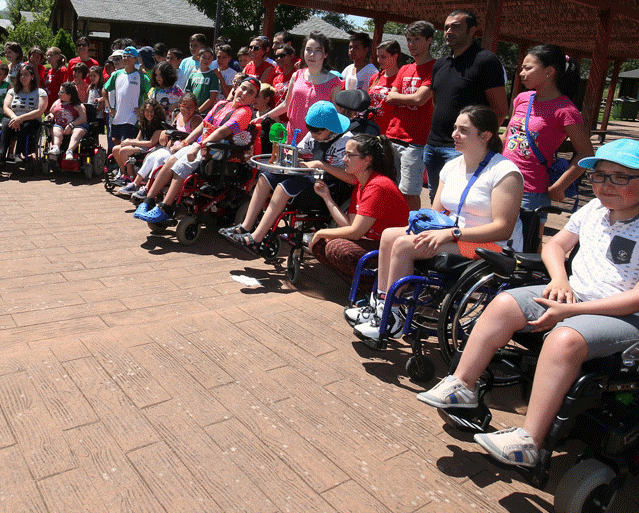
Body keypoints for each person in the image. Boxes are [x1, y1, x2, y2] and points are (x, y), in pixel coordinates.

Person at [416, 139, 639, 469]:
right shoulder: (594, 210)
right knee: (506, 302)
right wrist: (560, 281)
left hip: (630, 316)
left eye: (620, 177)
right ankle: (463, 385)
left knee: (564, 339)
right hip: (573, 295)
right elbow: (555, 246)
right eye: (599, 176)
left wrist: (570, 311)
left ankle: (529, 440)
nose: (606, 185)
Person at [357, 105, 523, 342]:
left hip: (491, 246)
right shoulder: (453, 166)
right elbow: (435, 213)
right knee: (390, 235)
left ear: (485, 136)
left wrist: (451, 234)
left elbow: (503, 228)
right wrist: (426, 229)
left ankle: (391, 316)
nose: (455, 134)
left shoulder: (505, 172)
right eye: (455, 128)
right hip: (455, 236)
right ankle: (380, 304)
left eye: (463, 130)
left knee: (404, 245)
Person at [220, 101, 354, 256]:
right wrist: (284, 152)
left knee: (285, 187)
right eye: (312, 133)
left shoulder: (345, 142)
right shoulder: (315, 134)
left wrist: (320, 164)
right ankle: (246, 226)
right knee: (266, 176)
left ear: (330, 128)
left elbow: (351, 178)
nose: (314, 137)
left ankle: (256, 239)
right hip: (309, 177)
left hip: (327, 187)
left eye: (318, 134)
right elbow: (298, 150)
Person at [134, 77, 259, 224]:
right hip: (202, 146)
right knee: (170, 161)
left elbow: (222, 133)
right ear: (236, 88)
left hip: (217, 151)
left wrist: (199, 147)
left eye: (250, 93)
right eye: (243, 88)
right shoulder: (221, 104)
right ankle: (148, 201)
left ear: (253, 100)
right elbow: (202, 126)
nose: (244, 93)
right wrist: (185, 142)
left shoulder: (245, 112)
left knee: (181, 166)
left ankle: (165, 208)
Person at [307, 134, 408, 293]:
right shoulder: (361, 185)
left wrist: (320, 232)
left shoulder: (378, 185)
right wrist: (327, 197)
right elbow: (349, 225)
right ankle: (367, 287)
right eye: (344, 154)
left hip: (392, 250)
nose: (344, 159)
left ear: (367, 159)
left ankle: (375, 290)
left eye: (349, 155)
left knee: (337, 247)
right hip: (374, 243)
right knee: (322, 245)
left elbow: (355, 232)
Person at [425, 9, 509, 197]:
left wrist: (480, 142)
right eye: (446, 28)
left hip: (465, 149)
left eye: (455, 27)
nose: (448, 32)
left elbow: (500, 110)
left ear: (472, 30)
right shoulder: (440, 64)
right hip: (432, 146)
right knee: (436, 201)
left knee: (460, 201)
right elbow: (436, 103)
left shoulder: (486, 61)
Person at [502, 44, 593, 215]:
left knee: (527, 240)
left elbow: (586, 153)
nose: (521, 73)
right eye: (522, 68)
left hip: (531, 191)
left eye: (528, 68)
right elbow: (507, 136)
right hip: (501, 180)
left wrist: (559, 186)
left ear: (549, 71)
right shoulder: (522, 99)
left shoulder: (566, 110)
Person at [382, 21, 437, 210]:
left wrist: (399, 98)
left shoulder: (434, 67)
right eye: (409, 39)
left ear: (429, 40)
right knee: (389, 187)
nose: (411, 44)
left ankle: (411, 228)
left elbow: (420, 99)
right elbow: (390, 97)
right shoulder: (405, 69)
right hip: (392, 136)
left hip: (415, 141)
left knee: (409, 192)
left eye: (417, 39)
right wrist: (405, 98)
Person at [259, 32, 343, 136]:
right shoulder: (296, 75)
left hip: (316, 141)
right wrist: (263, 117)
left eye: (318, 50)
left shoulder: (334, 81)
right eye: (308, 50)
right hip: (292, 137)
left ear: (325, 54)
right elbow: (286, 104)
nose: (312, 54)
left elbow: (337, 114)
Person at [0, 64, 48, 165]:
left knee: (25, 125)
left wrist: (20, 119)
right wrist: (15, 118)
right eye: (21, 75)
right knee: (5, 123)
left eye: (26, 75)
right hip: (13, 118)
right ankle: (1, 153)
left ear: (32, 76)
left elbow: (39, 111)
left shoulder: (40, 92)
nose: (23, 77)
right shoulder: (12, 91)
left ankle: (18, 154)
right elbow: (6, 107)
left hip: (31, 120)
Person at [112, 99, 167, 185]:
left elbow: (151, 143)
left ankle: (132, 178)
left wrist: (132, 143)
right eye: (147, 111)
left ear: (156, 112)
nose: (149, 113)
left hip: (152, 148)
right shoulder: (144, 122)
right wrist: (129, 141)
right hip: (142, 145)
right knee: (115, 149)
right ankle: (124, 174)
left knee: (124, 151)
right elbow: (138, 139)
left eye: (152, 111)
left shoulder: (159, 125)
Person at [104, 46, 151, 143]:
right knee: (115, 141)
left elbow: (151, 93)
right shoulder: (117, 74)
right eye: (124, 56)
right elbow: (104, 89)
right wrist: (109, 107)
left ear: (135, 59)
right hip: (118, 116)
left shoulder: (141, 76)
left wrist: (143, 108)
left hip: (132, 118)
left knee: (125, 142)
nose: (126, 59)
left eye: (129, 56)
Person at [47, 82, 90, 162]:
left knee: (77, 131)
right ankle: (56, 147)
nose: (59, 93)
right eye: (59, 91)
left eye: (62, 92)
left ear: (69, 95)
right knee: (55, 129)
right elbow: (51, 113)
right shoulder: (57, 102)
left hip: (77, 126)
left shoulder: (78, 105)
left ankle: (69, 151)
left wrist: (71, 125)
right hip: (61, 126)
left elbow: (83, 118)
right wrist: (51, 116)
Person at [184, 47, 222, 114]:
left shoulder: (213, 76)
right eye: (204, 57)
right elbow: (187, 94)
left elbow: (212, 98)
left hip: (205, 114)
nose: (206, 60)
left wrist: (198, 111)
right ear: (198, 58)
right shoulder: (192, 75)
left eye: (209, 58)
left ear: (212, 60)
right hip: (191, 112)